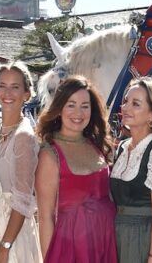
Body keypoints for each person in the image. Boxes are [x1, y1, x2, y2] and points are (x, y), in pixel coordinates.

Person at [36, 75, 117, 262]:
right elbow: (45, 216)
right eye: (71, 105)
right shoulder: (50, 154)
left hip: (105, 241)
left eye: (85, 106)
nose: (78, 113)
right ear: (59, 108)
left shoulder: (98, 144)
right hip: (70, 247)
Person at [111, 77, 152, 263]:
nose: (125, 108)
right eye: (126, 102)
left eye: (136, 104)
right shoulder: (122, 147)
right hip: (116, 236)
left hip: (143, 237)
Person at [0, 62, 43, 263]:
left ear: (27, 93)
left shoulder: (24, 136)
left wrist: (4, 247)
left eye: (15, 87)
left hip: (12, 231)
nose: (8, 92)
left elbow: (23, 200)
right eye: (2, 86)